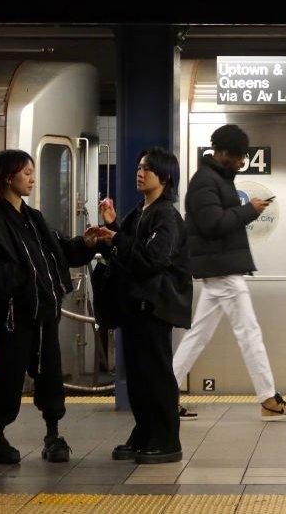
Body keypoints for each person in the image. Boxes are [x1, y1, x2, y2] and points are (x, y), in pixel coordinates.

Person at [171, 125, 286, 420]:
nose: (242, 161)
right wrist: (249, 210)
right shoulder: (205, 182)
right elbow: (212, 224)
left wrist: (247, 210)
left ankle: (165, 394)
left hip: (220, 268)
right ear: (222, 153)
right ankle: (269, 398)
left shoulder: (215, 179)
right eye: (238, 156)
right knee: (249, 332)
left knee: (198, 335)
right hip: (222, 270)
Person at [0, 150, 100, 464]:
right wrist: (22, 280)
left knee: (50, 372)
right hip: (13, 314)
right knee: (8, 372)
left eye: (33, 172)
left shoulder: (33, 218)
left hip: (45, 312)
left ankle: (53, 433)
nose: (32, 178)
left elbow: (59, 250)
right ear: (8, 176)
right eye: (26, 172)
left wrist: (85, 244)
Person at [95, 148, 193, 464]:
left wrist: (115, 238)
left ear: (164, 176)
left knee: (156, 374)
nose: (140, 172)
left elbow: (151, 259)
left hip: (155, 306)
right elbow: (129, 250)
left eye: (148, 168)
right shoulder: (140, 211)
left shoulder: (166, 216)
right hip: (136, 305)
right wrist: (113, 227)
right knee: (138, 376)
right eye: (139, 167)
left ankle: (166, 440)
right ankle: (144, 433)